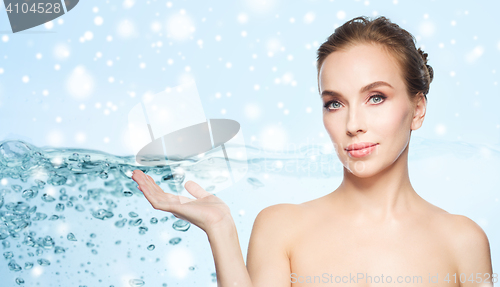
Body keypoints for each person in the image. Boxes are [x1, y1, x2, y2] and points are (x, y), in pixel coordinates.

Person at [131, 16, 493, 287]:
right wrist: (220, 229)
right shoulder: (281, 227)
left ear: (417, 109)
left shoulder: (462, 241)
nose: (353, 124)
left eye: (376, 98)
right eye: (334, 103)